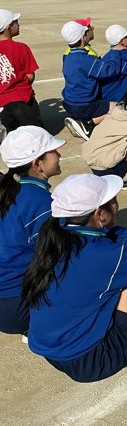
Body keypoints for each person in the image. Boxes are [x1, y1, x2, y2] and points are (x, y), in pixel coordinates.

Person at [22, 174, 127, 383]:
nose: (116, 204)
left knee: (104, 279)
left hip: (52, 352)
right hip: (94, 361)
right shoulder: (105, 252)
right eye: (112, 200)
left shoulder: (53, 239)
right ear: (99, 214)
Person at [0, 126, 64, 335]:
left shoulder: (8, 190)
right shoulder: (42, 203)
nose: (59, 154)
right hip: (18, 306)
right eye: (53, 151)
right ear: (38, 164)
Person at [61, 21, 117, 142]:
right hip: (83, 106)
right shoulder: (87, 59)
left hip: (68, 103)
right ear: (82, 38)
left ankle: (79, 118)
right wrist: (113, 57)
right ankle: (88, 123)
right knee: (119, 107)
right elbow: (110, 71)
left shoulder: (67, 56)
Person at [0, 10, 44, 132]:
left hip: (2, 104)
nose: (19, 25)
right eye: (16, 22)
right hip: (22, 100)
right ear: (8, 27)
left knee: (10, 133)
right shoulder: (21, 48)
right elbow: (30, 76)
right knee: (36, 133)